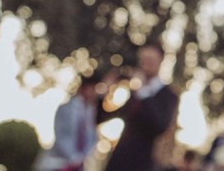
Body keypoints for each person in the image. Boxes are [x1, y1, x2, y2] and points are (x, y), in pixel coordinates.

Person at [101, 43, 179, 171]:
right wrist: (104, 93)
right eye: (143, 60)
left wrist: (143, 91)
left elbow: (160, 125)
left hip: (142, 163)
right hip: (118, 161)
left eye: (150, 60)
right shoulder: (134, 92)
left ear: (160, 61)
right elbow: (105, 116)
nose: (145, 64)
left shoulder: (167, 95)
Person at [44, 75, 99, 171]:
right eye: (92, 89)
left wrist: (83, 157)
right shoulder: (65, 108)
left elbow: (92, 137)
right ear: (83, 89)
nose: (94, 93)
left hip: (79, 165)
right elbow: (60, 134)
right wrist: (73, 156)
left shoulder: (91, 111)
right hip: (60, 163)